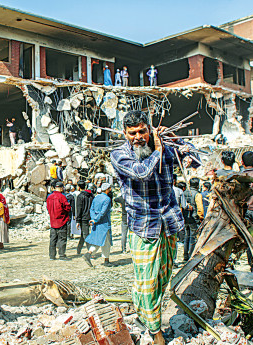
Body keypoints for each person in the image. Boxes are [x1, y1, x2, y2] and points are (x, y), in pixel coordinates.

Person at [110, 110, 199, 344]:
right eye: (133, 133)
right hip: (142, 227)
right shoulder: (119, 154)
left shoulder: (165, 148)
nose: (138, 137)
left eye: (142, 131)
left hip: (168, 224)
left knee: (162, 279)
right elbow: (142, 172)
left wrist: (174, 141)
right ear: (125, 133)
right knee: (146, 282)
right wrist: (158, 150)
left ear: (149, 130)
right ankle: (156, 331)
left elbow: (195, 159)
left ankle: (148, 316)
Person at [83, 183, 114, 267]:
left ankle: (89, 253)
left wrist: (94, 219)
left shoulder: (96, 198)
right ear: (107, 189)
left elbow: (91, 209)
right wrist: (96, 219)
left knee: (98, 240)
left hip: (96, 223)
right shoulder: (107, 199)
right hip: (104, 223)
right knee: (106, 242)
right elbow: (103, 212)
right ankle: (106, 260)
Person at [46, 181, 71, 260]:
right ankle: (61, 255)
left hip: (53, 221)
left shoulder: (49, 197)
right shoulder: (62, 197)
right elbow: (67, 208)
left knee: (53, 239)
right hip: (61, 220)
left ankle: (52, 255)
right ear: (61, 188)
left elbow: (48, 208)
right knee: (62, 238)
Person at [183, 178, 203, 261]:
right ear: (198, 185)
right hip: (193, 219)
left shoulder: (184, 192)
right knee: (193, 237)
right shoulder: (197, 194)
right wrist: (201, 217)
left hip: (185, 218)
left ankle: (185, 255)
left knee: (186, 237)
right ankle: (191, 256)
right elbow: (200, 209)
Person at [75, 180, 94, 254]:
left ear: (79, 187)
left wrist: (77, 221)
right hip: (91, 217)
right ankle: (78, 249)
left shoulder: (80, 196)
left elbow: (79, 209)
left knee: (86, 235)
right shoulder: (91, 195)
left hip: (84, 218)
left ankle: (90, 252)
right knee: (84, 234)